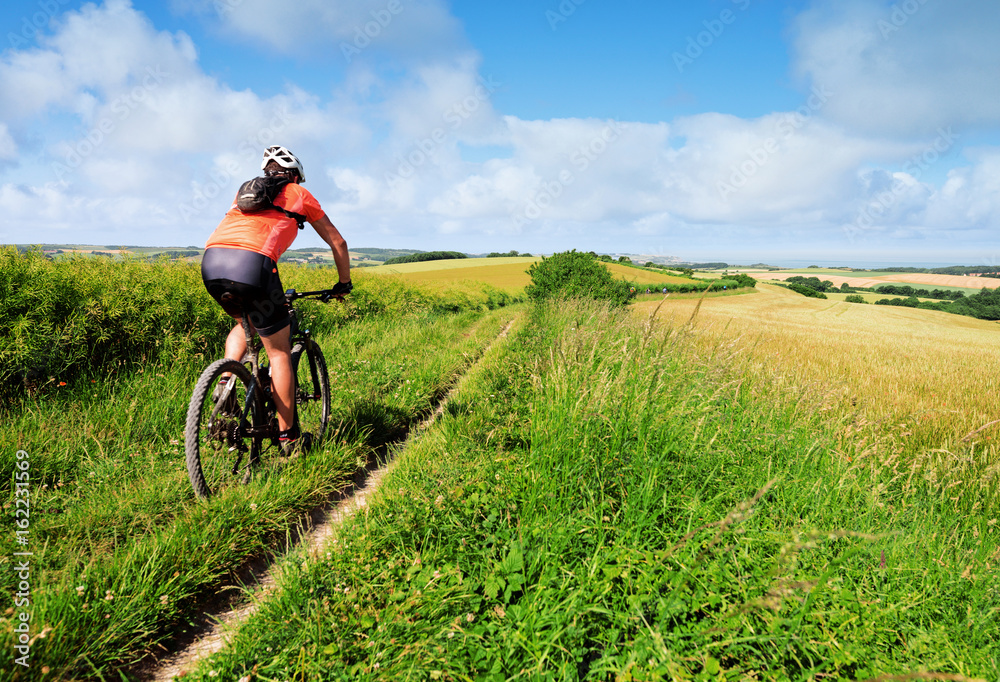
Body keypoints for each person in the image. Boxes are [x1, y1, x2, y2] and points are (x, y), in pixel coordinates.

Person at [201, 145, 352, 453]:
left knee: (245, 321)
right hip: (253, 266)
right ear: (295, 175)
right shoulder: (299, 193)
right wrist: (343, 284)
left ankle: (226, 378)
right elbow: (338, 241)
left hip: (212, 262)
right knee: (280, 352)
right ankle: (288, 440)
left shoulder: (244, 193)